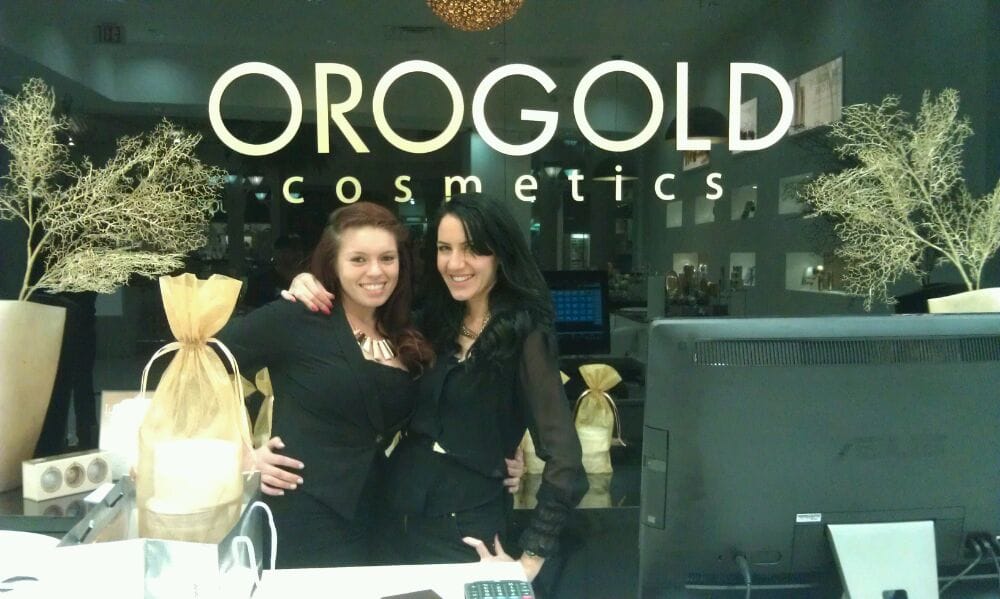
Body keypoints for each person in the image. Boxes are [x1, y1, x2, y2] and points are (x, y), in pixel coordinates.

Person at [286, 193, 588, 581]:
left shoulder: (526, 335)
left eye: (472, 249)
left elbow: (566, 461)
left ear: (500, 254)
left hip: (467, 532)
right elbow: (356, 319)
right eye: (445, 249)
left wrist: (529, 561)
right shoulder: (431, 322)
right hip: (389, 521)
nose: (455, 263)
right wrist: (309, 283)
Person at [217, 202, 434, 568]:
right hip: (306, 516)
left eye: (387, 258)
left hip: (385, 516)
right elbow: (193, 361)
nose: (376, 271)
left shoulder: (407, 330)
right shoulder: (296, 317)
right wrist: (239, 456)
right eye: (358, 259)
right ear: (333, 263)